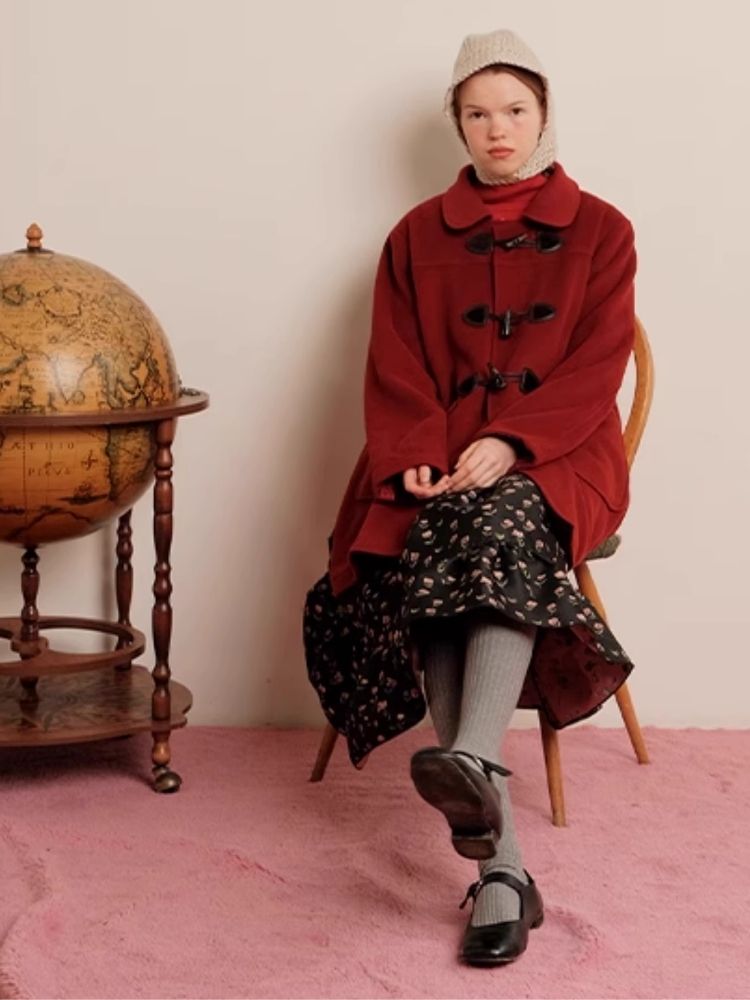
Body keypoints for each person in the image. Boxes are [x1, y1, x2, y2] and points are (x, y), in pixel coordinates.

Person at [303, 28, 636, 966]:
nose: (499, 129)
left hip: (562, 454)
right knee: (442, 530)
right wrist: (414, 453)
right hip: (438, 456)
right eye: (478, 113)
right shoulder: (415, 235)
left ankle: (470, 764)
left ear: (545, 113)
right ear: (456, 122)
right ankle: (502, 869)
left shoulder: (603, 229)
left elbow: (597, 365)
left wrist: (511, 440)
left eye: (516, 110)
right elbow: (395, 362)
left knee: (491, 519)